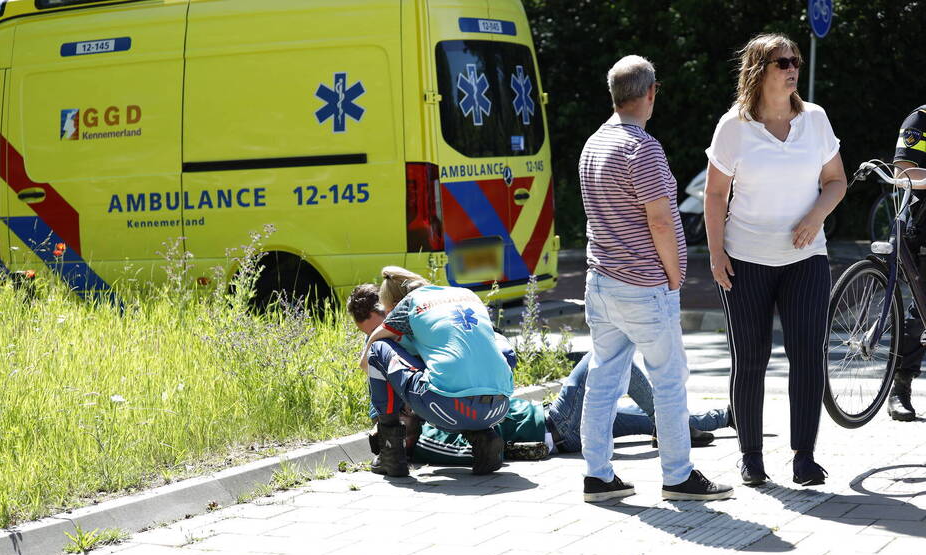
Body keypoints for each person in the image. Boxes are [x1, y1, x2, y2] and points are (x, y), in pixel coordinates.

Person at [347, 284, 732, 465]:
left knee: (631, 423)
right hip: (553, 426)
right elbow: (452, 448)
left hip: (551, 421)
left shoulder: (424, 371)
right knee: (610, 359)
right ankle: (679, 430)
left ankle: (720, 418)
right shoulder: (431, 421)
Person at [577, 55, 733, 503]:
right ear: (650, 93)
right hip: (643, 285)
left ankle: (598, 475)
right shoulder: (640, 147)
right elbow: (661, 221)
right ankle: (678, 475)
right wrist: (674, 275)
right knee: (668, 380)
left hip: (601, 282)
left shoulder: (593, 144)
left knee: (604, 379)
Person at [704, 34, 845, 486]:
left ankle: (804, 456)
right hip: (745, 260)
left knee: (808, 356)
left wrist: (815, 216)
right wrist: (714, 253)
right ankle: (751, 457)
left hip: (806, 259)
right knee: (751, 359)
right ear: (759, 70)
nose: (792, 68)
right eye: (782, 62)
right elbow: (714, 194)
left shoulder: (815, 120)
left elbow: (836, 180)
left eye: (795, 61)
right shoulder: (734, 126)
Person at [357, 267, 515, 478]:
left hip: (446, 408)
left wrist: (382, 381)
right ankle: (484, 436)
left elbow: (370, 352)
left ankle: (391, 453)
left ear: (393, 306)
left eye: (387, 311)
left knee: (378, 350)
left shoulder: (410, 303)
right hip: (500, 406)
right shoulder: (465, 294)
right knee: (484, 350)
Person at [887, 106, 926, 421]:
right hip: (924, 229)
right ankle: (900, 385)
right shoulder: (919, 121)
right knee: (920, 315)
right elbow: (903, 175)